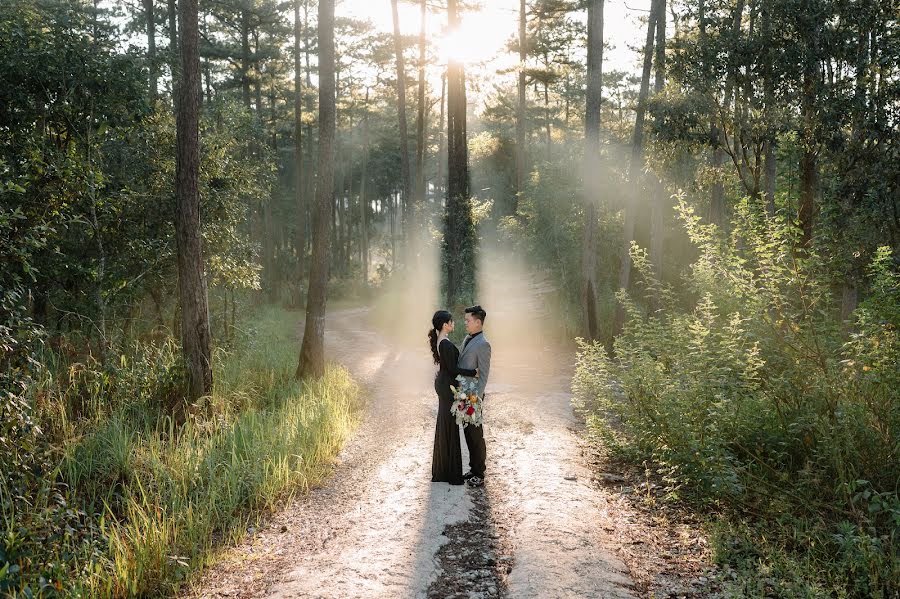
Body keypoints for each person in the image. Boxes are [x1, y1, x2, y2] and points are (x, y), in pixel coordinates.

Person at [428, 310, 477, 485]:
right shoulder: (446, 344)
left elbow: (449, 368)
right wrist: (473, 372)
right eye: (451, 321)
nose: (453, 323)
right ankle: (449, 473)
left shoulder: (442, 341)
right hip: (447, 386)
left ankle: (444, 470)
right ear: (444, 325)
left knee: (446, 424)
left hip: (444, 384)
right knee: (449, 424)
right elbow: (453, 369)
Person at [457, 305, 491, 488]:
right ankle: (472, 468)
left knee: (476, 434)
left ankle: (480, 473)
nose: (466, 324)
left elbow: (484, 375)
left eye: (468, 321)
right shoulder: (468, 338)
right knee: (468, 433)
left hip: (473, 398)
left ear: (478, 322)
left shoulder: (483, 344)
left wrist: (476, 399)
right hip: (463, 395)